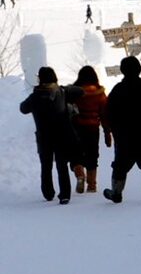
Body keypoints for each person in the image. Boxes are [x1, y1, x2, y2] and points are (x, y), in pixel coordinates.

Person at [101, 56, 141, 204]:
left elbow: (108, 112)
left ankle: (116, 193)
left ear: (122, 70)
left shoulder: (117, 90)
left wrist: (113, 127)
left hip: (123, 135)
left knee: (120, 164)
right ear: (139, 69)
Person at [19, 67, 81, 204]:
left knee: (46, 165)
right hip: (61, 134)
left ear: (40, 79)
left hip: (44, 136)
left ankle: (48, 193)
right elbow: (80, 91)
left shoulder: (35, 96)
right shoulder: (61, 92)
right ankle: (65, 195)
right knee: (62, 165)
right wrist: (66, 89)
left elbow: (23, 108)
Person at [69, 66, 110, 195]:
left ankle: (80, 174)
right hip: (93, 128)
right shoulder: (99, 93)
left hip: (77, 127)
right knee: (92, 155)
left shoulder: (74, 92)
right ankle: (92, 185)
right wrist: (107, 133)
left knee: (76, 154)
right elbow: (105, 114)